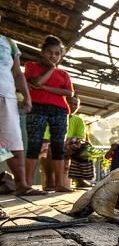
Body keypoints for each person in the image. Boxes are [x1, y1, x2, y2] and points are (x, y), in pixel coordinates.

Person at [25, 35, 74, 193]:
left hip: (59, 110)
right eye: (49, 52)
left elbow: (69, 92)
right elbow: (36, 82)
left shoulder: (64, 74)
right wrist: (52, 69)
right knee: (34, 145)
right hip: (37, 107)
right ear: (42, 52)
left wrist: (45, 88)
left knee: (59, 146)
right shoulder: (32, 66)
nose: (53, 56)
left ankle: (60, 184)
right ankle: (27, 185)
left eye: (57, 53)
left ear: (60, 55)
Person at [0, 29, 40, 196]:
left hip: (7, 96)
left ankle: (22, 185)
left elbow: (17, 73)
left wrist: (27, 96)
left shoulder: (9, 42)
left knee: (14, 143)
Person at [62, 95, 91, 188]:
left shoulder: (78, 120)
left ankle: (80, 179)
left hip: (71, 143)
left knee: (84, 148)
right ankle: (52, 181)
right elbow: (47, 137)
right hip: (56, 143)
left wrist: (72, 143)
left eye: (75, 104)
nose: (72, 106)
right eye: (70, 103)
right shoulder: (57, 116)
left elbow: (80, 137)